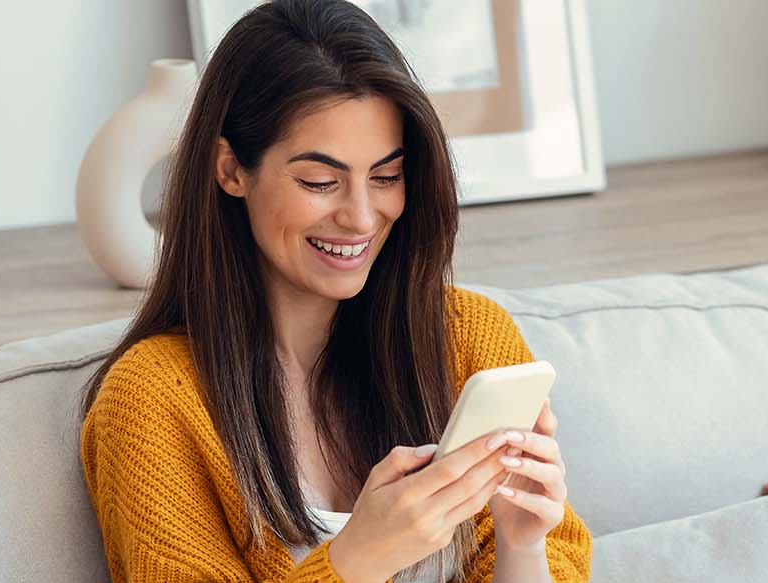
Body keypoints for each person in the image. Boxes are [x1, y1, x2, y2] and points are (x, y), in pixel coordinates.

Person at [76, 0, 592, 581]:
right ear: (231, 170)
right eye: (320, 181)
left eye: (386, 176)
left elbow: (548, 555)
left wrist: (523, 547)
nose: (361, 217)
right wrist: (359, 559)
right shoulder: (151, 404)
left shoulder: (469, 338)